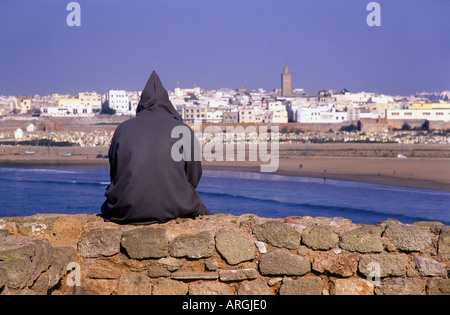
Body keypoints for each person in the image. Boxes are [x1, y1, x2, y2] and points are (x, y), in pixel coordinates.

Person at [101, 71, 210, 224]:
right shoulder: (182, 130)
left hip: (123, 210)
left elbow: (115, 173)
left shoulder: (122, 129)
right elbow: (193, 177)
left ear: (141, 102)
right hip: (176, 206)